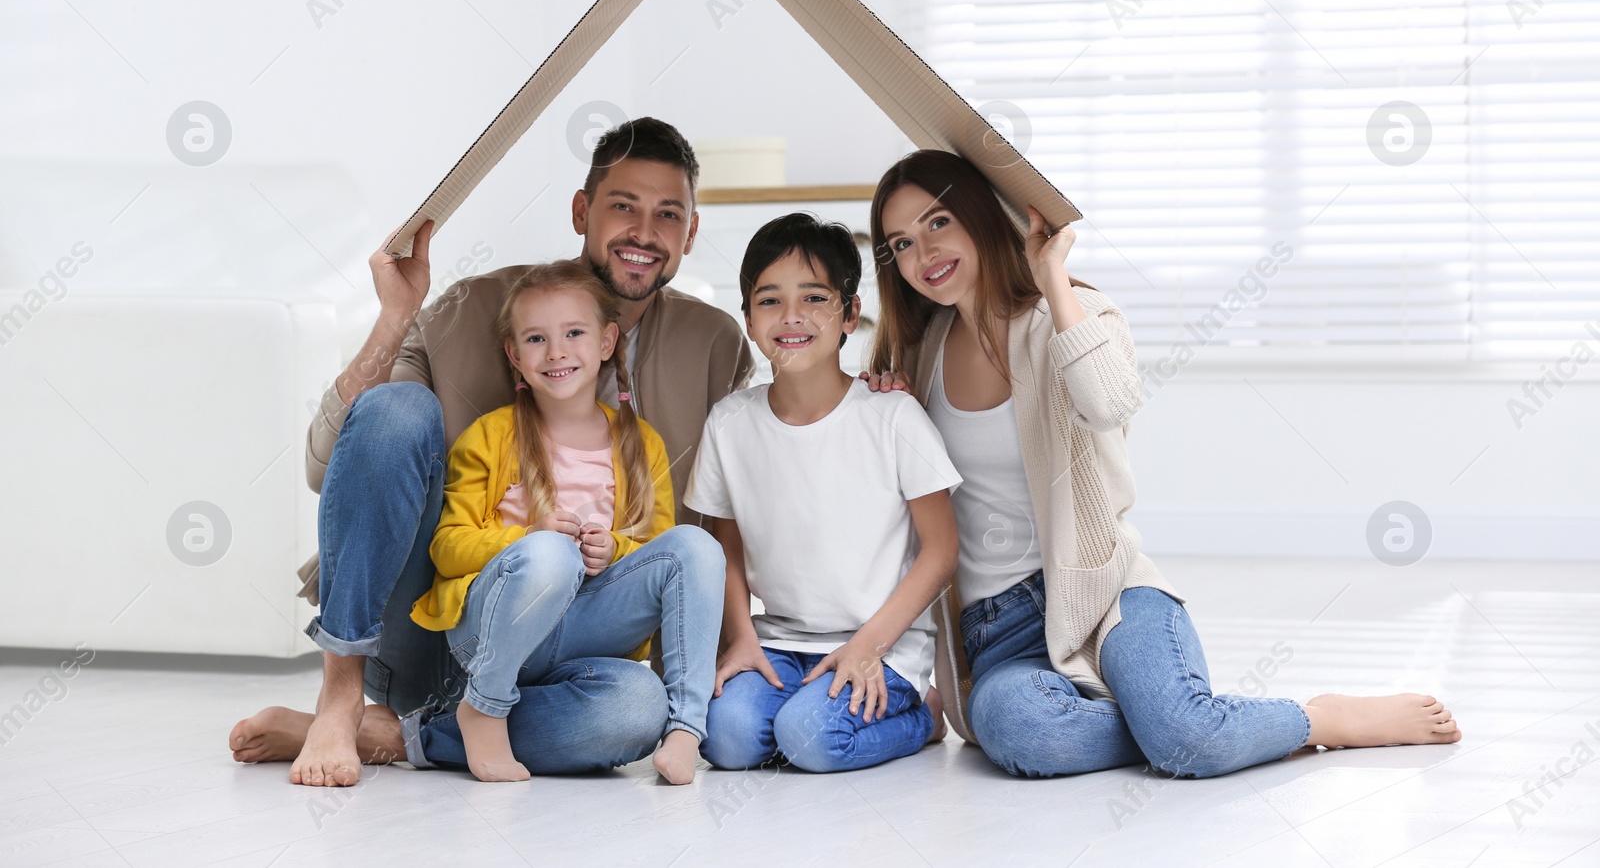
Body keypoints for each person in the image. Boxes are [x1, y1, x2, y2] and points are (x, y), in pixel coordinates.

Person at [861, 150, 1461, 779]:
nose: (924, 254)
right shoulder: (918, 354)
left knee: (1185, 742)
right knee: (1018, 732)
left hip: (1106, 596)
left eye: (938, 223)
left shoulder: (1072, 314)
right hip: (998, 634)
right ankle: (1181, 721)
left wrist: (1052, 278)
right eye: (901, 243)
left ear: (981, 216)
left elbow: (1110, 403)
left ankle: (1317, 718)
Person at [229, 117, 754, 786]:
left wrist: (875, 391)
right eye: (623, 205)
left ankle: (400, 734)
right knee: (396, 410)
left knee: (632, 715)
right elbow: (329, 462)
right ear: (581, 210)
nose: (643, 232)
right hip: (440, 627)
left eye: (668, 214)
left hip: (583, 647)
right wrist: (394, 316)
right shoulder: (471, 308)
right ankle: (339, 700)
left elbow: (743, 486)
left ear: (691, 231)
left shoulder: (715, 344)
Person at [402, 260, 722, 783]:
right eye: (536, 338)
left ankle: (686, 728)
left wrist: (614, 548)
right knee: (551, 554)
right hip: (493, 635)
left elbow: (659, 551)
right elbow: (447, 548)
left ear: (605, 341)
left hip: (587, 636)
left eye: (574, 332)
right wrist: (528, 537)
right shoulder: (490, 436)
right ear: (514, 354)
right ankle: (485, 703)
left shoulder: (643, 444)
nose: (556, 352)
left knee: (640, 705)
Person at [688, 213, 960, 773]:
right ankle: (801, 703)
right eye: (769, 301)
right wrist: (741, 639)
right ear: (747, 319)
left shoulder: (891, 415)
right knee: (728, 741)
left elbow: (941, 552)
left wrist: (869, 647)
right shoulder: (729, 423)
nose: (792, 317)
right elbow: (727, 548)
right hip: (781, 641)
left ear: (850, 315)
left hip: (881, 645)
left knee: (810, 739)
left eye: (814, 298)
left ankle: (924, 716)